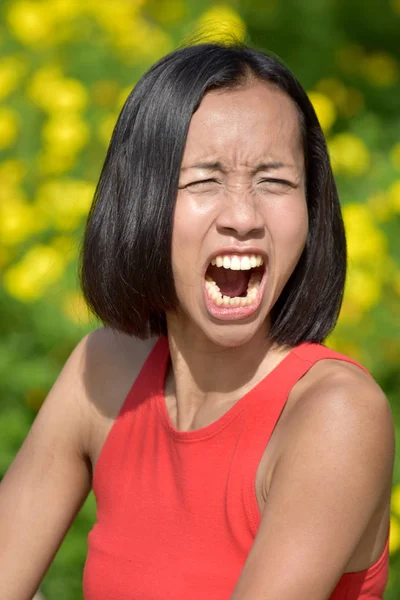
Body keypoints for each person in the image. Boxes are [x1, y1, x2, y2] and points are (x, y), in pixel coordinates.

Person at [0, 42, 395, 600]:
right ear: (140, 201)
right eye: (204, 180)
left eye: (275, 181)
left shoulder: (334, 414)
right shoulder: (104, 371)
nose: (242, 217)